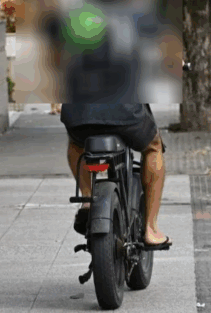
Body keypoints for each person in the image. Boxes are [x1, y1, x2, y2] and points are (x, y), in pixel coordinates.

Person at [60, 103, 172, 250]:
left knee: (76, 143)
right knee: (154, 146)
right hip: (125, 113)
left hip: (79, 116)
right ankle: (151, 229)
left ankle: (87, 199)